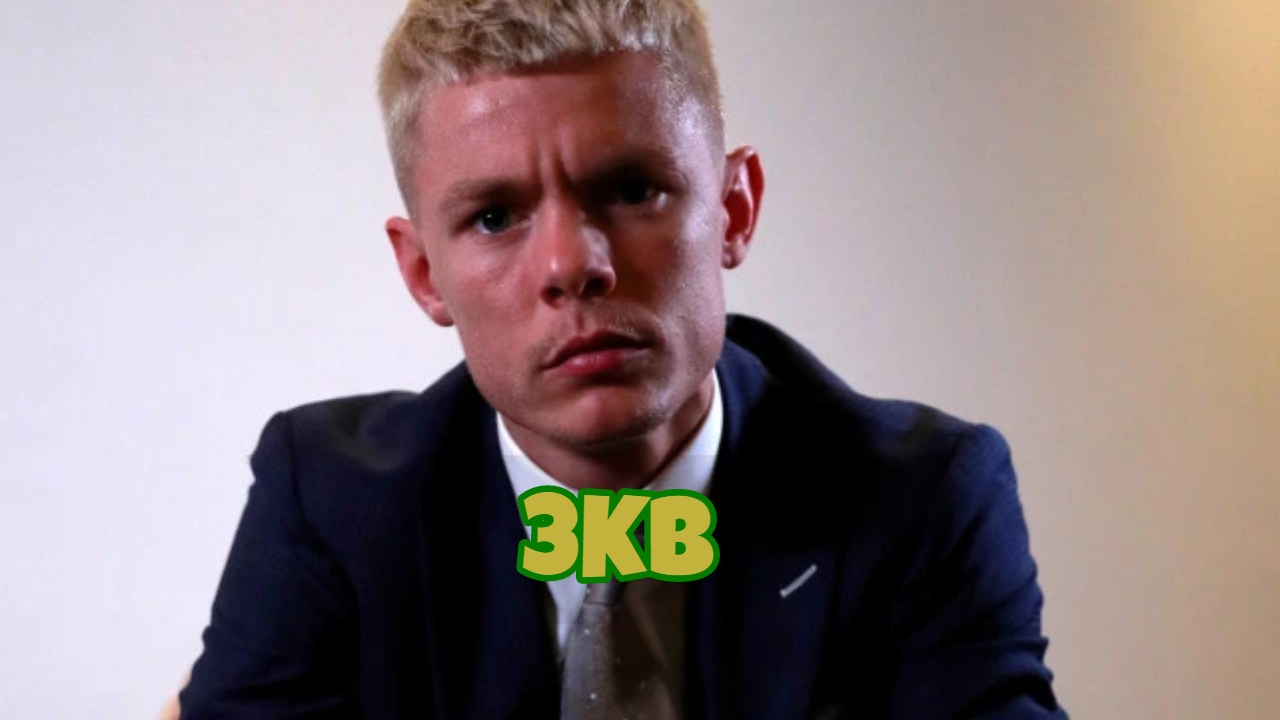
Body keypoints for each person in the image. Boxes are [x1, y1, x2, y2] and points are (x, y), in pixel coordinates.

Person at [171, 0, 1068, 718]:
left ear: (734, 209)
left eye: (633, 189)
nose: (571, 265)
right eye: (495, 217)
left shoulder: (920, 499)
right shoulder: (331, 504)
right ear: (423, 274)